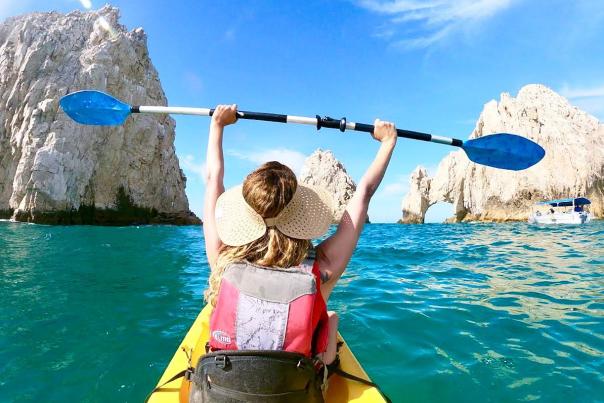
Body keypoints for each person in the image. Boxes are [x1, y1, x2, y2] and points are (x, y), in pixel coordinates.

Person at [197, 104, 397, 401]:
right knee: (330, 317)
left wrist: (218, 126)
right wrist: (388, 141)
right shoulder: (322, 270)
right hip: (295, 392)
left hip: (226, 390)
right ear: (300, 216)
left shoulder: (223, 259)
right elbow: (363, 193)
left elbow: (213, 180)